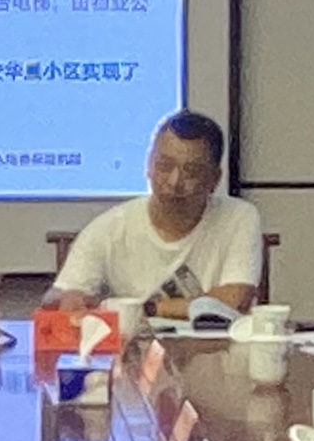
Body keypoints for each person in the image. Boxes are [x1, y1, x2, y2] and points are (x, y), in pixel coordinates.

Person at [42, 111, 263, 317]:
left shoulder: (238, 217)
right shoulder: (110, 227)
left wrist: (146, 309)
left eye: (191, 171)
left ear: (215, 178)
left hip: (216, 344)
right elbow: (59, 295)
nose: (174, 182)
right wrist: (65, 299)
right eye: (164, 166)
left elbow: (234, 299)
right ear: (148, 166)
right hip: (134, 346)